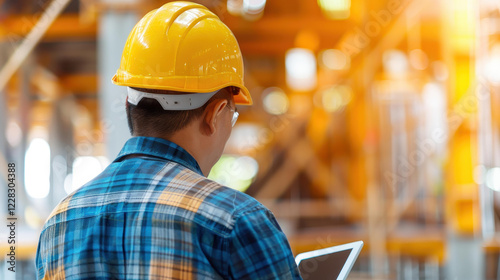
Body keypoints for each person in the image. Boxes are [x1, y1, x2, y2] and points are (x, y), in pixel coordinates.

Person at [36, 2, 302, 279]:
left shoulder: (59, 223)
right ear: (215, 114)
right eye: (232, 117)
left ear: (129, 104)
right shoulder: (236, 222)